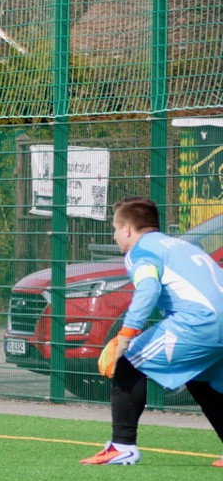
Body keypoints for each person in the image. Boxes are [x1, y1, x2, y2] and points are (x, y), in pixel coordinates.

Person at [82, 196, 223, 465]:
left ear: (127, 229)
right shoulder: (183, 246)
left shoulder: (140, 250)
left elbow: (148, 289)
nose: (114, 236)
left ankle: (122, 446)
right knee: (200, 377)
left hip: (199, 321)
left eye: (115, 229)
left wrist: (125, 336)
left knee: (128, 361)